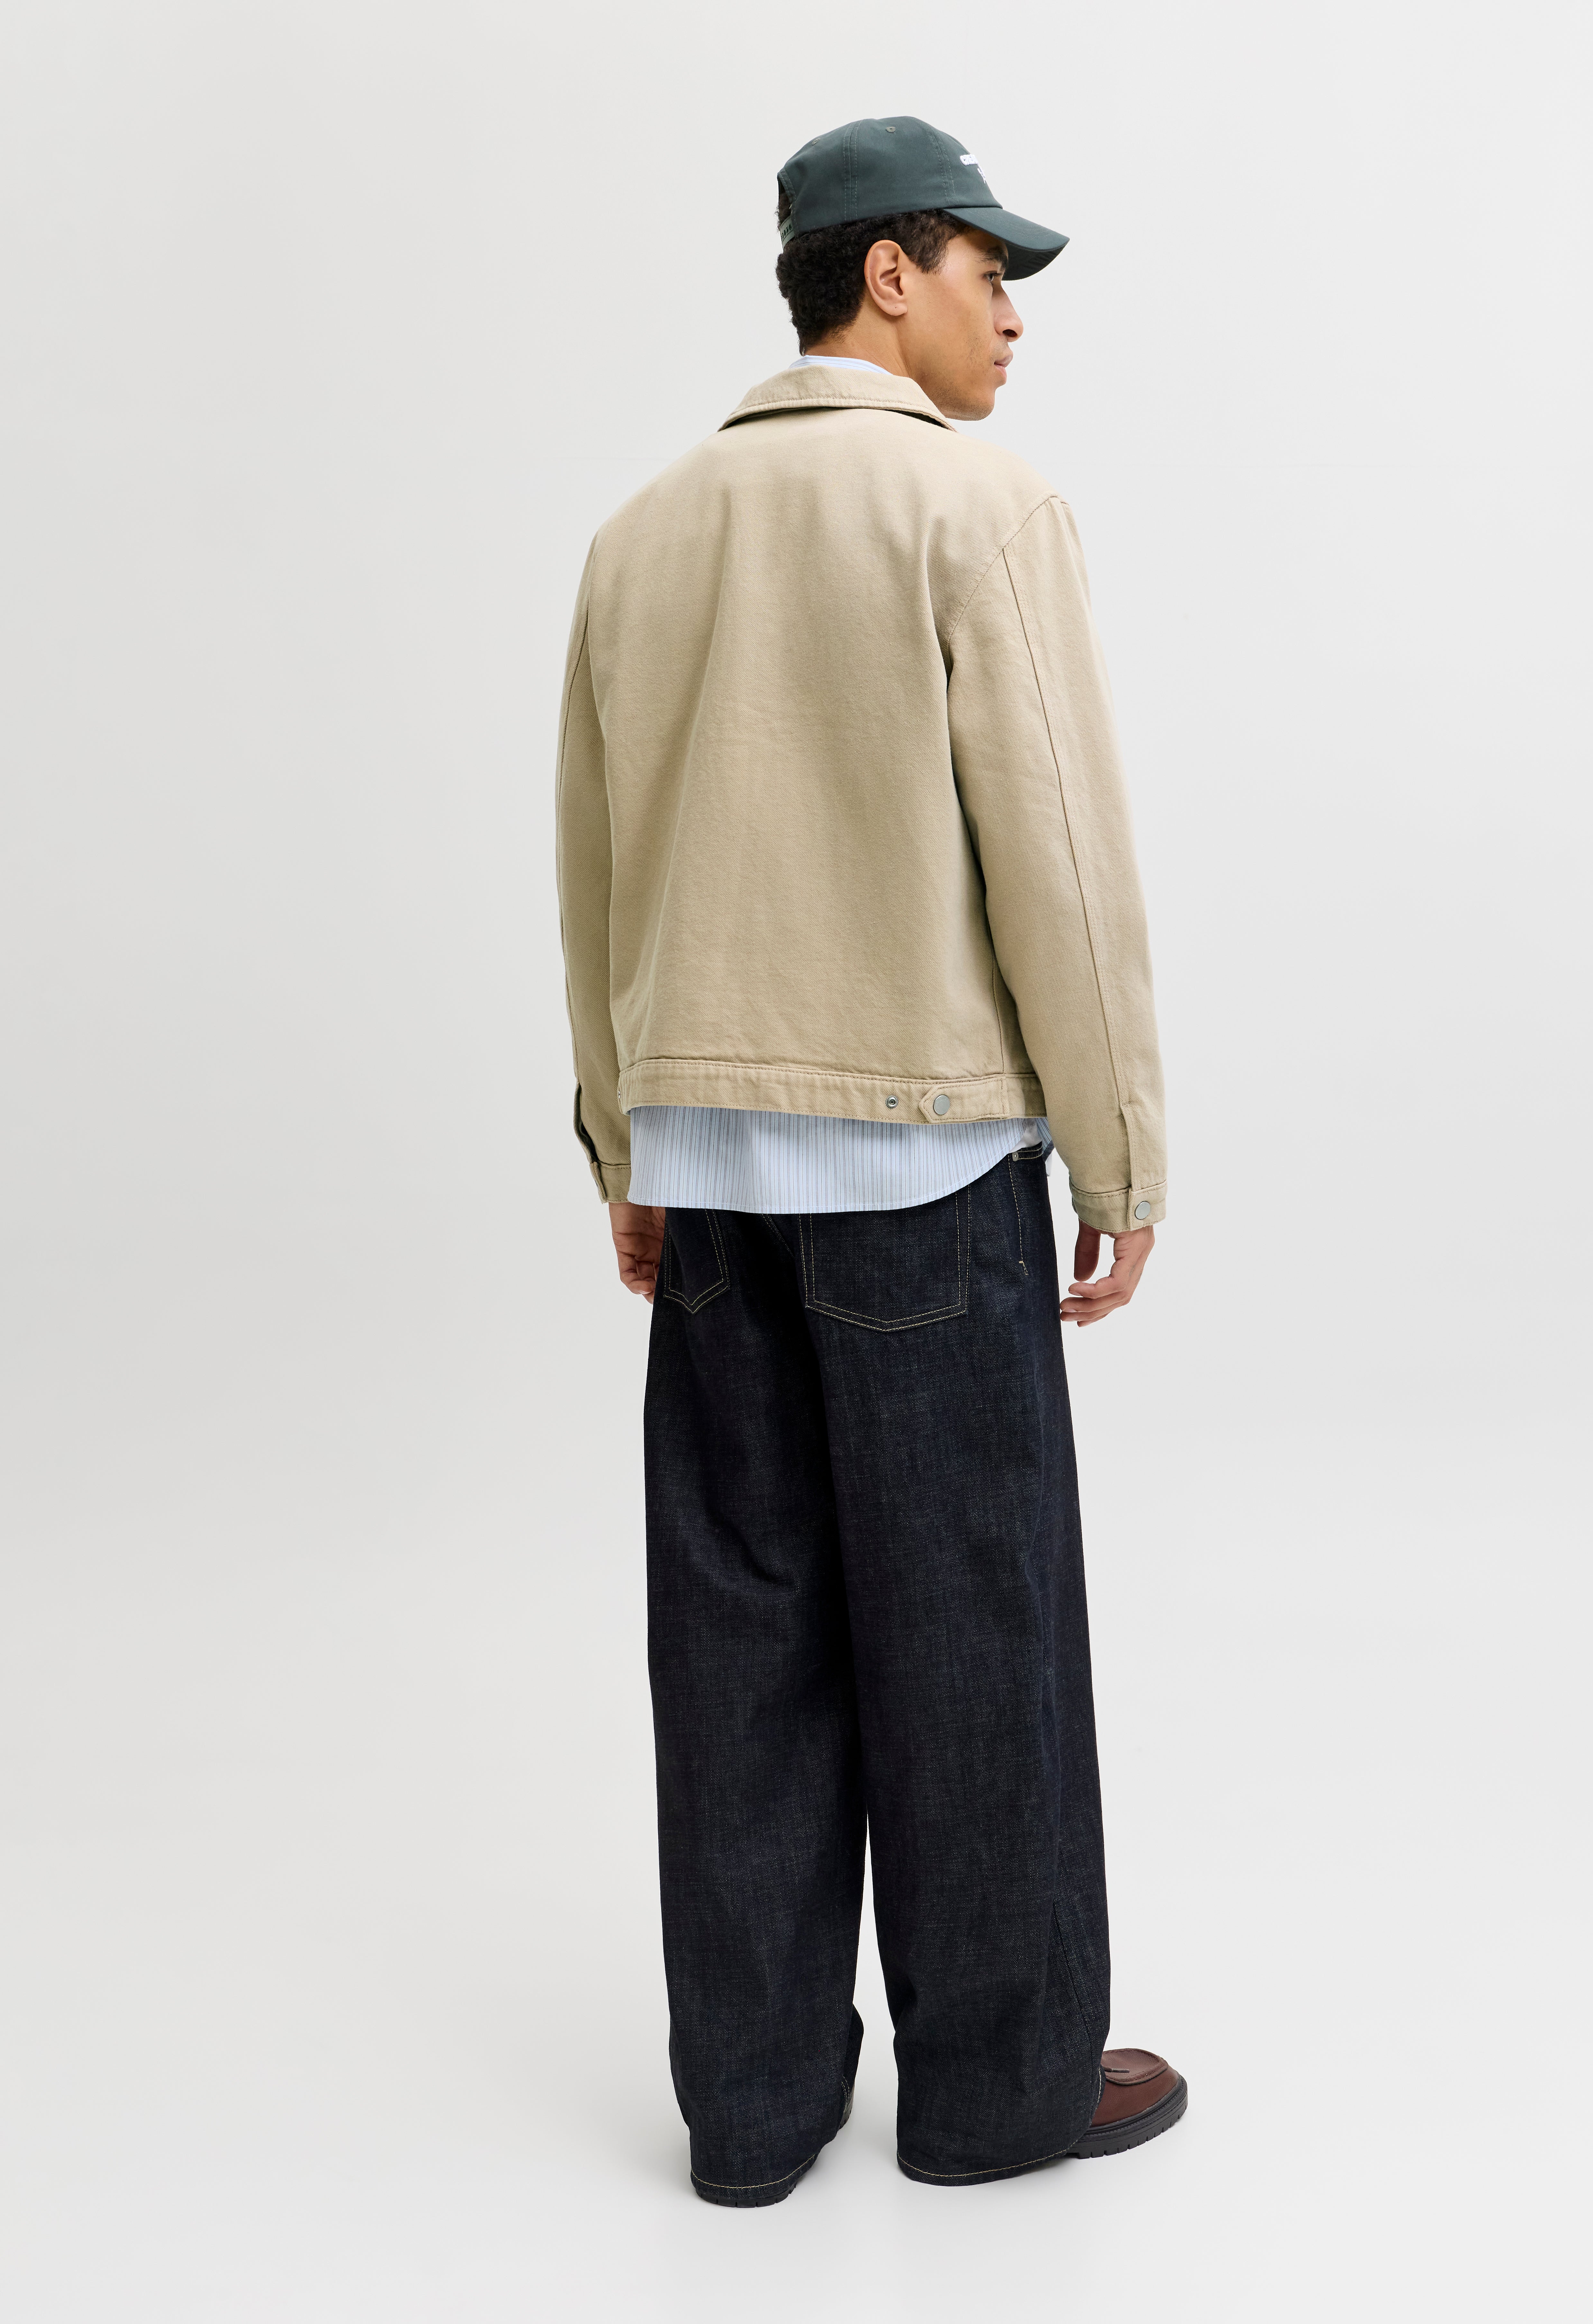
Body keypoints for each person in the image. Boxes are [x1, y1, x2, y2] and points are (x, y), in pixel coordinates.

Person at [555, 115, 1182, 2206]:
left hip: (712, 1182)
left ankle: (751, 2109)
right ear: (885, 273)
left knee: (740, 1643)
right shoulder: (977, 508)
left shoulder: (643, 533)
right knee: (973, 1627)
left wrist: (623, 1134)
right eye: (990, 272)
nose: (1015, 316)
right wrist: (1119, 1149)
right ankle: (999, 2089)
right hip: (927, 1173)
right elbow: (1061, 859)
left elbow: (593, 864)